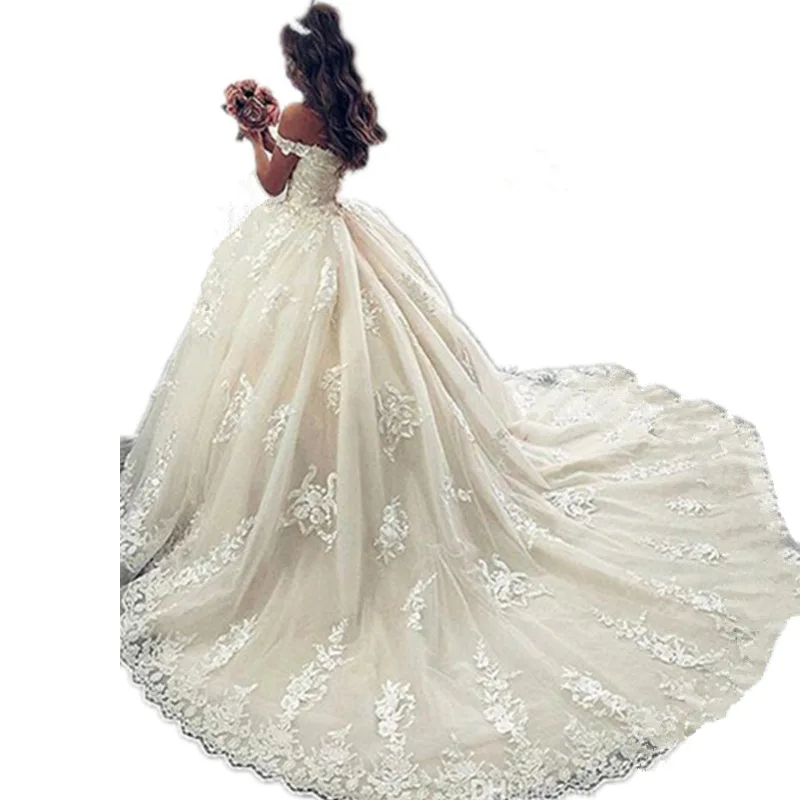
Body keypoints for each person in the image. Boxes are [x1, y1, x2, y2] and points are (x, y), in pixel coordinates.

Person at [119, 4, 799, 799]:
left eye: (291, 68)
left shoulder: (299, 116)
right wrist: (270, 125)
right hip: (340, 242)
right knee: (353, 376)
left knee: (282, 379)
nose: (288, 78)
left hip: (301, 255)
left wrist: (256, 132)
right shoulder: (351, 109)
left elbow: (276, 186)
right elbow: (318, 177)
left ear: (303, 69)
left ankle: (289, 496)